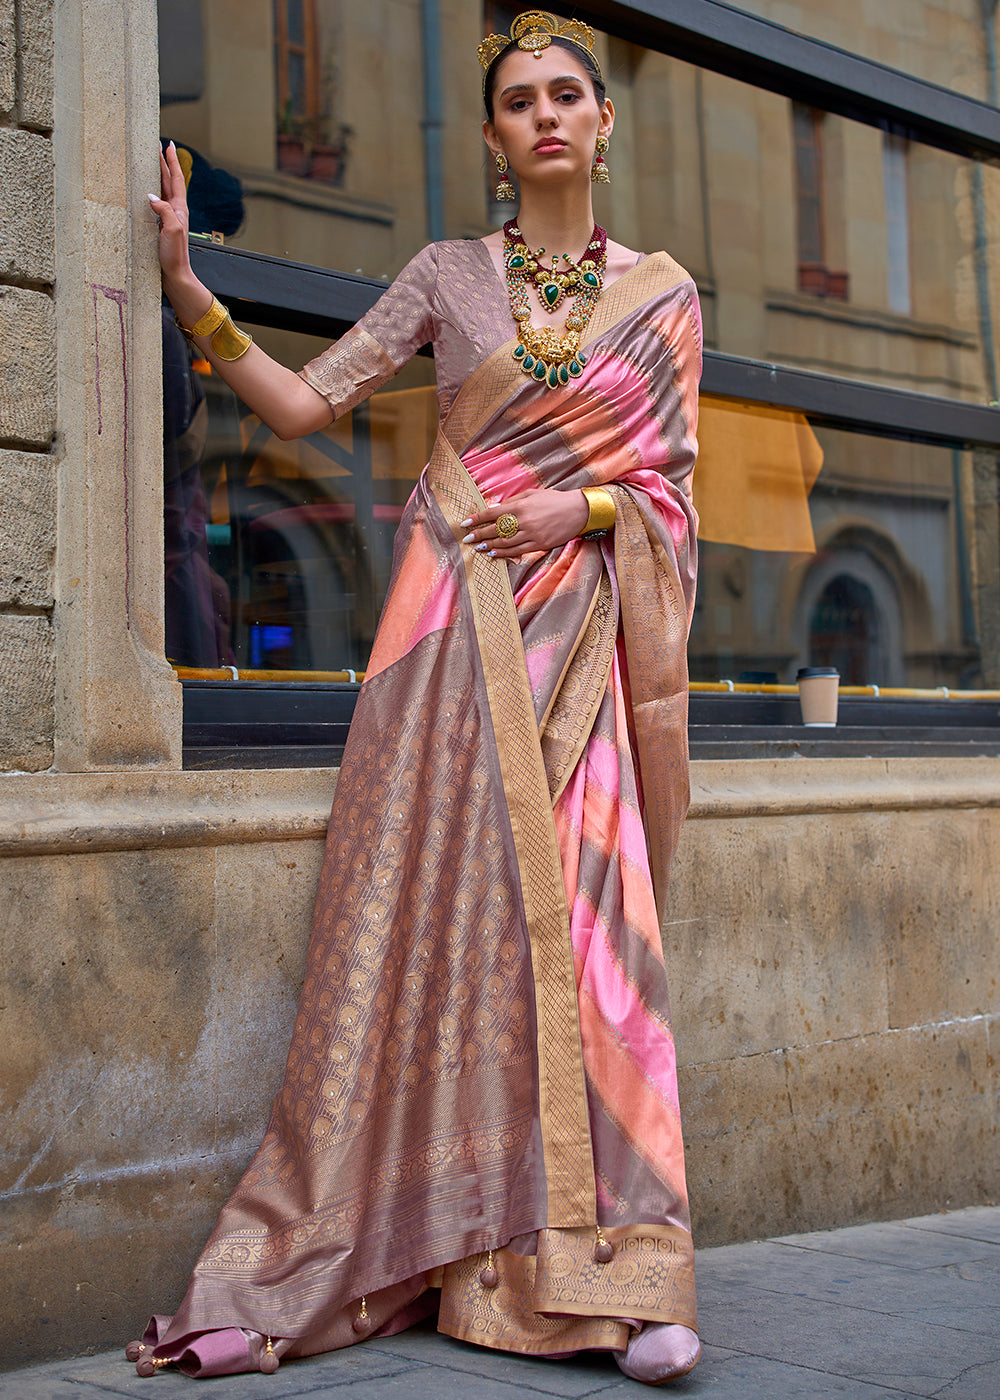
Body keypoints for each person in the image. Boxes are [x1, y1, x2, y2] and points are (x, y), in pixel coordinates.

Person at [135, 11, 702, 1386]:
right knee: (443, 939)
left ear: (604, 121)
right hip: (452, 648)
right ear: (499, 139)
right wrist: (186, 289)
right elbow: (304, 405)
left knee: (594, 944)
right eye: (520, 101)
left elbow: (675, 485)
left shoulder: (664, 295)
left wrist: (584, 500)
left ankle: (627, 1275)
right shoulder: (446, 276)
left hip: (583, 655)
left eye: (571, 92)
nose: (548, 114)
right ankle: (442, 1261)